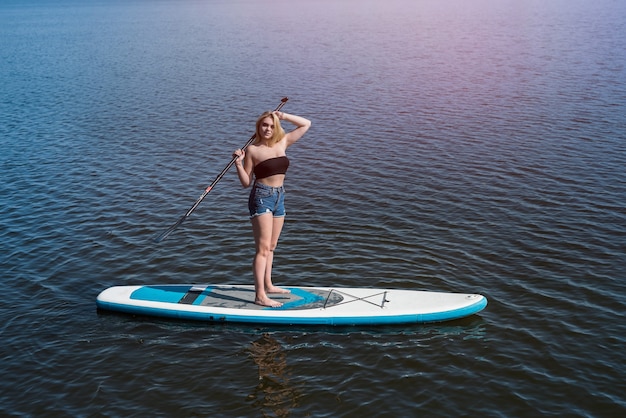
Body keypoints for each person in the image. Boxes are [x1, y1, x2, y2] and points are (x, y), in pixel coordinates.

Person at [233, 110, 311, 307]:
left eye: (271, 125)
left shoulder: (282, 142)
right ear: (258, 127)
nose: (267, 129)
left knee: (272, 247)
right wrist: (239, 164)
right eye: (264, 125)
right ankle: (260, 295)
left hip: (279, 197)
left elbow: (306, 124)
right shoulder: (253, 150)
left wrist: (283, 115)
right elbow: (245, 182)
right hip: (261, 197)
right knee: (262, 249)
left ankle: (268, 285)